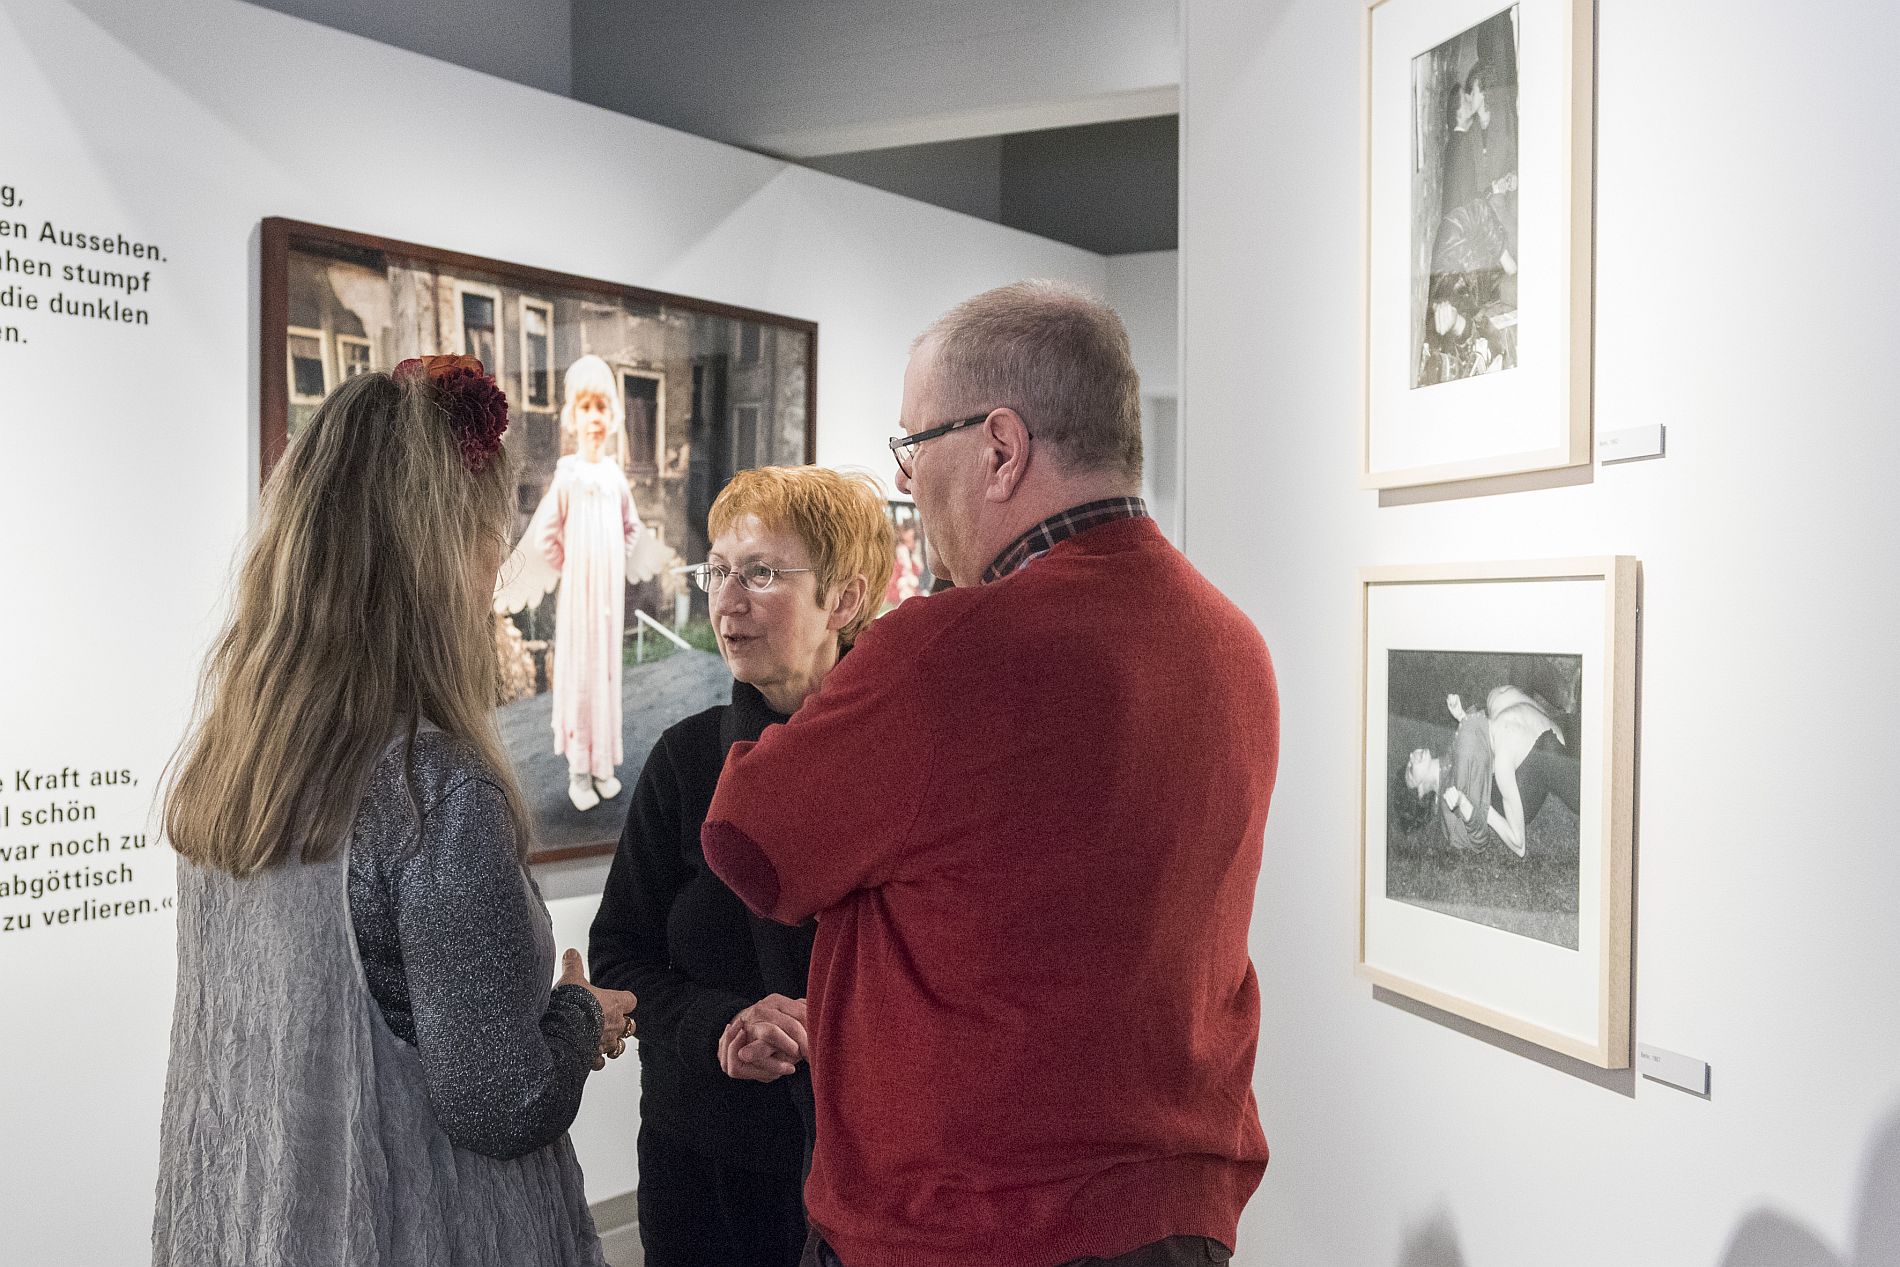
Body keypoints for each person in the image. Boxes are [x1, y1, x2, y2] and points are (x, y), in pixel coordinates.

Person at [701, 281, 1279, 1267]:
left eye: (914, 445)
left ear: (1000, 448)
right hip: (1171, 1215)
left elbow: (752, 842)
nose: (907, 483)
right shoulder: (1231, 642)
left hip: (964, 1223)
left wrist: (785, 673)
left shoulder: (951, 649)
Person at [153, 357, 636, 1267]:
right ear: (437, 553)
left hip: (264, 1220)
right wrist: (578, 1012)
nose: (497, 564)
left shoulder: (234, 766)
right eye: (487, 532)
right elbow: (501, 1098)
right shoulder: (433, 789)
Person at [589, 466, 895, 1267]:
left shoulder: (900, 764)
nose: (726, 601)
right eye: (719, 569)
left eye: (760, 572)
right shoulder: (686, 760)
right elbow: (620, 956)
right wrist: (720, 1024)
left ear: (845, 599)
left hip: (874, 1178)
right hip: (703, 1170)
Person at [495, 354, 645, 812]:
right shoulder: (568, 478)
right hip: (580, 603)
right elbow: (544, 537)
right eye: (585, 408)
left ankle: (603, 767)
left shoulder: (616, 479)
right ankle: (579, 769)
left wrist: (609, 561)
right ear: (572, 416)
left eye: (602, 407)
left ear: (612, 413)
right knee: (581, 676)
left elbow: (632, 529)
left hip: (606, 603)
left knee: (605, 676)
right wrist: (576, 568)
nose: (594, 418)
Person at [1396, 686, 1565, 857]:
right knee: (1549, 745)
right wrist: (1464, 803)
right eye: (1410, 769)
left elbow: (1476, 747)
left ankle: (1565, 699)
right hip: (1514, 791)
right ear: (1420, 793)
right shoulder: (1448, 806)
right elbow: (1479, 840)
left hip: (1505, 756)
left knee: (1522, 668)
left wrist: (1462, 716)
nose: (1411, 755)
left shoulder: (1446, 760)